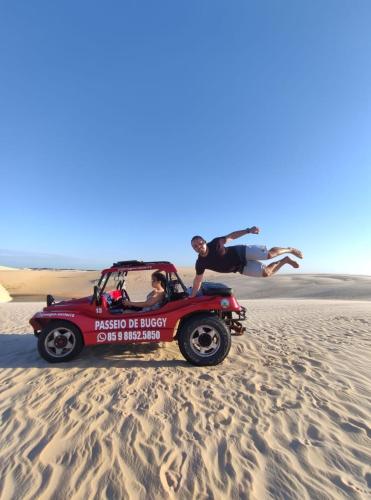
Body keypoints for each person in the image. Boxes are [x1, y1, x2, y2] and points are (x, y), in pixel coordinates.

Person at [190, 227, 303, 297]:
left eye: (200, 243)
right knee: (266, 273)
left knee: (269, 254)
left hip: (243, 252)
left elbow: (231, 236)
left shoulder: (215, 243)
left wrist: (248, 230)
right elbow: (197, 281)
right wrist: (192, 297)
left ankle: (290, 249)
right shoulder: (200, 263)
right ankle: (285, 260)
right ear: (193, 249)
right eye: (195, 246)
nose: (198, 246)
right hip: (240, 267)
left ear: (204, 241)